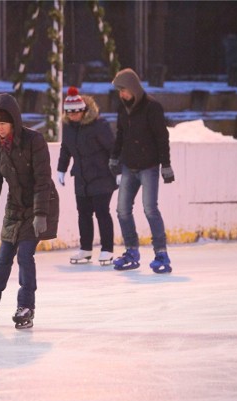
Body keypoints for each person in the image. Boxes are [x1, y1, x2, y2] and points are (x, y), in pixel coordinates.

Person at [0, 93, 59, 329]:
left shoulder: (34, 140)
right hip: (15, 206)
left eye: (3, 124)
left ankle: (26, 306)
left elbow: (42, 180)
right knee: (3, 256)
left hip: (41, 201)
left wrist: (40, 214)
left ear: (14, 122)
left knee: (25, 256)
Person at [109, 68, 175, 273]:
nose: (121, 95)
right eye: (119, 91)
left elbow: (161, 137)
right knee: (122, 210)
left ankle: (161, 253)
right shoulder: (122, 109)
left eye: (124, 91)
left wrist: (166, 165)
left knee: (150, 209)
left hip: (148, 166)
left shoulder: (152, 107)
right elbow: (120, 135)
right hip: (129, 165)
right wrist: (114, 156)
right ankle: (131, 250)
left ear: (133, 89)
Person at [57, 86, 117, 266]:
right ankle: (86, 249)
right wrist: (62, 169)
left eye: (76, 112)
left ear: (84, 110)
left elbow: (113, 149)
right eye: (69, 113)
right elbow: (65, 149)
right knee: (83, 213)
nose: (73, 116)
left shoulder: (99, 125)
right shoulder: (68, 128)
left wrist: (119, 171)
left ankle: (107, 249)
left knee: (101, 212)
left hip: (102, 176)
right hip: (82, 178)